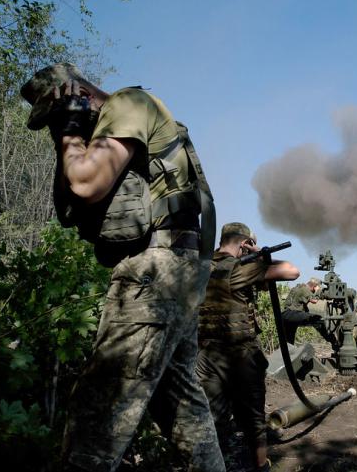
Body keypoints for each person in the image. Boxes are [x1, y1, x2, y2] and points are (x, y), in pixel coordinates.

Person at [20, 63, 225, 472]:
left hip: (155, 273)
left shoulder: (127, 104)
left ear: (73, 94)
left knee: (99, 408)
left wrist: (71, 131)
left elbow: (84, 182)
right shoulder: (130, 118)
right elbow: (69, 208)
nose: (55, 128)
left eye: (54, 113)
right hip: (178, 269)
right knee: (182, 406)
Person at [196, 222, 299, 472]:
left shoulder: (201, 265)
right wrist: (261, 257)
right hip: (241, 355)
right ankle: (260, 465)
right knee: (253, 417)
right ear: (244, 244)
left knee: (211, 415)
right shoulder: (237, 268)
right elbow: (291, 271)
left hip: (206, 355)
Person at [281, 277, 331, 344]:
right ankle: (331, 339)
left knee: (289, 341)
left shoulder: (297, 287)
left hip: (285, 315)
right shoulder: (305, 289)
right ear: (314, 286)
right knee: (318, 319)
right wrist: (317, 291)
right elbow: (314, 301)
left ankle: (288, 352)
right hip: (293, 314)